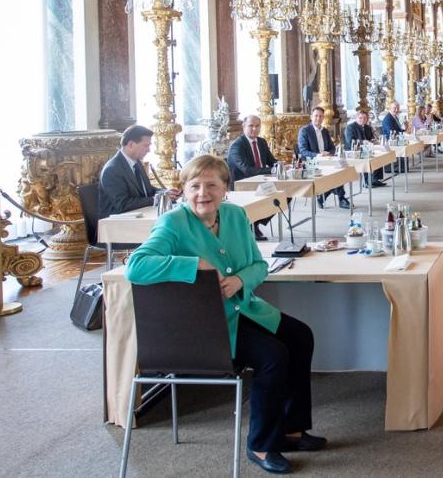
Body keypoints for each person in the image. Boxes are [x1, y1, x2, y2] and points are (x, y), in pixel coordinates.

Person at [125, 155, 325, 475]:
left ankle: (291, 429)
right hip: (205, 325)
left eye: (211, 186)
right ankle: (260, 444)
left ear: (225, 190)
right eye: (195, 186)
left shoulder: (235, 216)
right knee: (273, 355)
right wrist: (194, 266)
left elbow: (259, 265)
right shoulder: (173, 224)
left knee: (300, 336)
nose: (203, 193)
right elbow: (136, 267)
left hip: (242, 308)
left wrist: (239, 280)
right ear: (184, 190)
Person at [99, 125, 179, 219]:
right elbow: (123, 204)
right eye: (146, 145)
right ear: (131, 144)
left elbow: (148, 190)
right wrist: (157, 199)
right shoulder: (112, 170)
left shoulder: (137, 162)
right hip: (118, 223)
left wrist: (166, 193)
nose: (149, 150)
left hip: (140, 215)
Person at [225, 116, 275, 239]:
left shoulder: (262, 142)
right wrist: (272, 170)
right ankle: (251, 225)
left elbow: (272, 161)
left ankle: (255, 223)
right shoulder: (237, 145)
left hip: (261, 182)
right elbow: (246, 170)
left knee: (285, 196)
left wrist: (283, 166)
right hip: (242, 185)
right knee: (268, 197)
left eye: (257, 126)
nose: (254, 129)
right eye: (251, 126)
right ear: (244, 127)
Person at [296, 107, 352, 210]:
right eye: (316, 116)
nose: (318, 118)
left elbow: (332, 148)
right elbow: (303, 151)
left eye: (321, 116)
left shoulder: (325, 131)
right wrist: (318, 155)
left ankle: (325, 195)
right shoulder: (304, 131)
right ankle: (340, 198)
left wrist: (328, 153)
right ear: (311, 117)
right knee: (333, 174)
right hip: (311, 163)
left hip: (326, 161)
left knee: (340, 170)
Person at [343, 108, 387, 189]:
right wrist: (364, 142)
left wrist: (374, 141)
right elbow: (350, 141)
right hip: (353, 151)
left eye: (364, 118)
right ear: (356, 118)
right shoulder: (350, 127)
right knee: (367, 159)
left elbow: (370, 139)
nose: (362, 120)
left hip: (366, 149)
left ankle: (375, 179)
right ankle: (367, 182)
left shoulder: (368, 127)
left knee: (380, 156)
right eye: (360, 118)